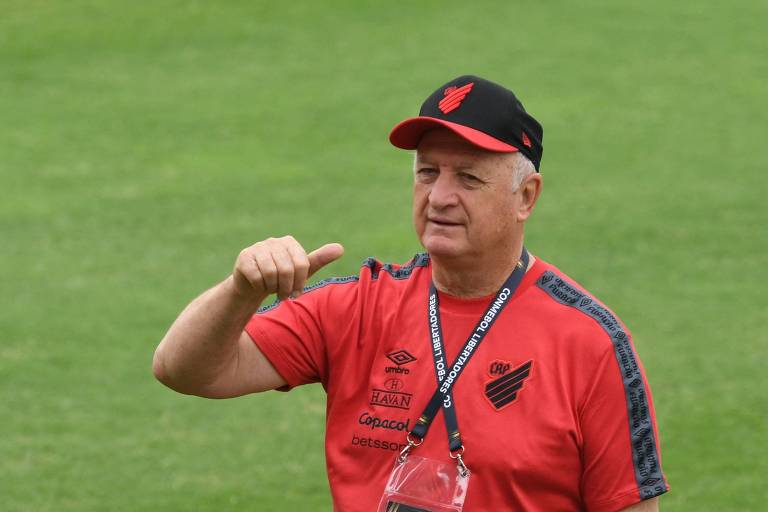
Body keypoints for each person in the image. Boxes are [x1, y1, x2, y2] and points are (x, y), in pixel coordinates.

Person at [153, 75, 669, 511]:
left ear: (525, 197)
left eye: (468, 177)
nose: (440, 196)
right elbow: (185, 370)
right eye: (427, 173)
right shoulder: (355, 305)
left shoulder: (590, 342)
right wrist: (240, 291)